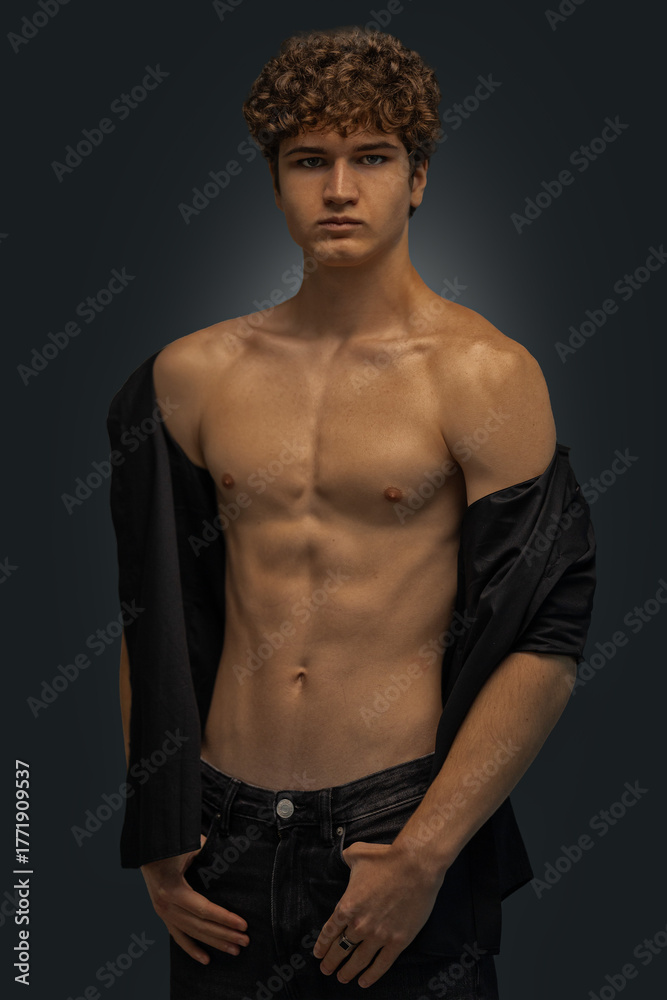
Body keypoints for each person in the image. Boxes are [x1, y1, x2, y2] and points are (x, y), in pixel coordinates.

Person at [108, 25, 596, 999]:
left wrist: (426, 852)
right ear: (276, 181)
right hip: (224, 832)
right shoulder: (190, 376)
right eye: (309, 161)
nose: (339, 189)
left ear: (417, 180)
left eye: (370, 158)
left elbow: (546, 637)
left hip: (394, 825)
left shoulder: (483, 377)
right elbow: (151, 618)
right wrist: (161, 832)